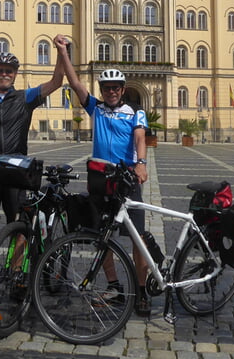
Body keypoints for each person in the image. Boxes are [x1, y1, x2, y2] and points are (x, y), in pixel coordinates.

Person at [53, 34, 151, 316]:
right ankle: (115, 287)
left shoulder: (135, 112)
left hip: (127, 180)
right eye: (106, 88)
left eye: (115, 88)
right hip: (100, 180)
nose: (110, 92)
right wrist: (63, 52)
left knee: (138, 238)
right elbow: (74, 83)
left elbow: (140, 137)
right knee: (102, 238)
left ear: (122, 89)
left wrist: (141, 162)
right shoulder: (95, 108)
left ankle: (142, 291)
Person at [0, 44, 65, 271]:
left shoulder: (24, 98)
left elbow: (56, 82)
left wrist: (60, 52)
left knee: (19, 227)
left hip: (16, 172)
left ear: (15, 74)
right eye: (0, 70)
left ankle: (17, 275)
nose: (4, 74)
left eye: (9, 71)